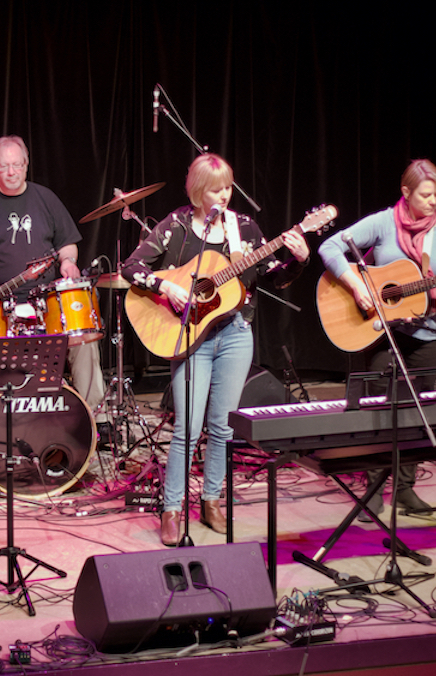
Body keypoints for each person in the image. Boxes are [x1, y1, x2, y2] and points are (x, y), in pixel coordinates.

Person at [121, 153, 309, 546]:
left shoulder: (245, 229)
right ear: (197, 192)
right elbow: (132, 268)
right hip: (190, 337)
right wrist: (167, 286)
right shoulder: (176, 227)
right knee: (187, 428)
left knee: (222, 426)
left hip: (235, 332)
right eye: (216, 189)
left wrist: (298, 261)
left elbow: (272, 277)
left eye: (227, 187)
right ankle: (172, 508)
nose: (224, 195)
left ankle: (211, 501)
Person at [319, 159, 436, 520]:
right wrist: (357, 285)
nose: (434, 201)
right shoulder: (383, 223)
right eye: (426, 195)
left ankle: (406, 489)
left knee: (419, 412)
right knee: (380, 411)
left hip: (430, 333)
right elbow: (330, 247)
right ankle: (374, 492)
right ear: (406, 193)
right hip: (383, 332)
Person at [0, 136, 107, 430]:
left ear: (26, 165)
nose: (12, 172)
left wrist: (67, 262)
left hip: (45, 302)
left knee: (84, 340)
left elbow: (67, 244)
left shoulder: (45, 198)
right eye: (5, 166)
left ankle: (95, 418)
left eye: (17, 165)